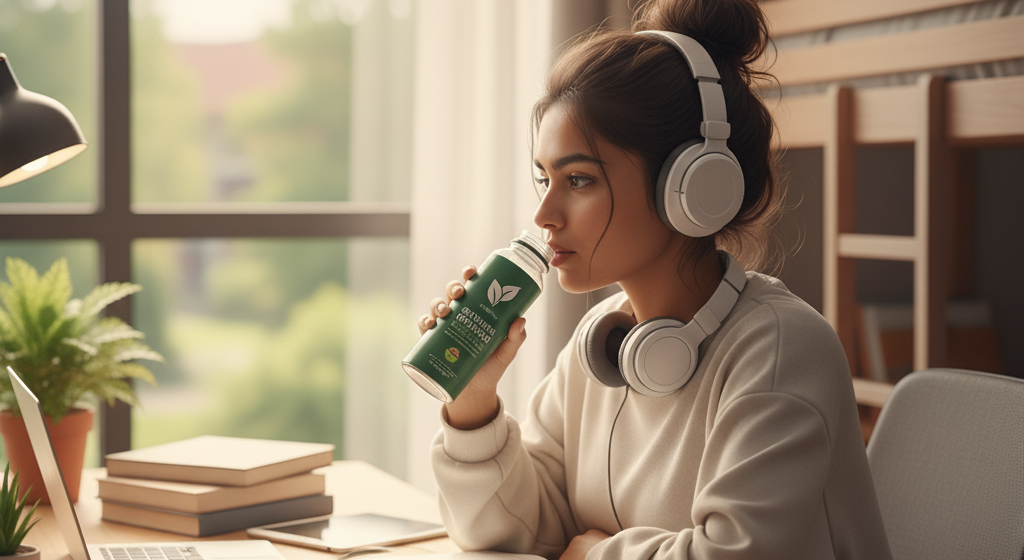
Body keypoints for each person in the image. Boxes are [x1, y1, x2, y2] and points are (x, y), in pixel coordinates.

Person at [416, 0, 892, 558]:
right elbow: (516, 532)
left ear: (691, 186)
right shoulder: (603, 343)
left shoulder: (782, 349)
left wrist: (592, 553)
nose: (544, 213)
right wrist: (474, 401)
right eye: (543, 178)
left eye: (579, 179)